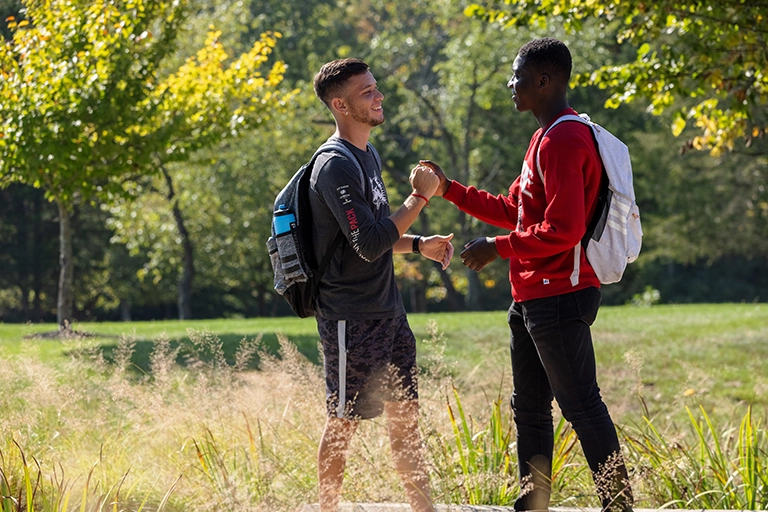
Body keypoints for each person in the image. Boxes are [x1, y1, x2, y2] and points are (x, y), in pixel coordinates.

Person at [421, 38, 634, 512]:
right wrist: (449, 189)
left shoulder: (564, 138)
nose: (510, 84)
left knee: (581, 406)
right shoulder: (543, 137)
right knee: (530, 409)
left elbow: (564, 229)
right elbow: (516, 208)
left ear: (545, 81)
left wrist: (497, 248)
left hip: (560, 293)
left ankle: (619, 507)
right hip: (532, 296)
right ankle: (532, 506)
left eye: (517, 76)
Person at [310, 57, 453, 512]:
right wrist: (420, 197)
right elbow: (370, 243)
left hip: (388, 310)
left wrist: (417, 245)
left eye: (376, 88)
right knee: (344, 420)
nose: (379, 97)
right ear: (340, 104)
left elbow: (373, 234)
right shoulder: (334, 165)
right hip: (349, 316)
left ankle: (422, 508)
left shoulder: (367, 155)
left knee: (406, 418)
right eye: (367, 92)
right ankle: (327, 508)